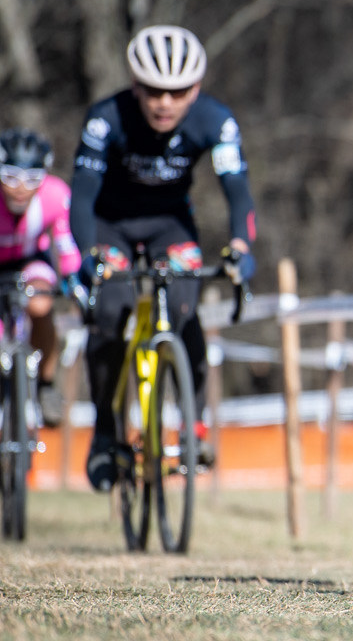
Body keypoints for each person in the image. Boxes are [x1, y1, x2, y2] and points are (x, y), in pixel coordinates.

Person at [70, 24, 256, 492]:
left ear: (196, 88)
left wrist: (241, 246)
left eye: (178, 91)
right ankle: (105, 433)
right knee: (109, 316)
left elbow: (237, 193)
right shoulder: (105, 118)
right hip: (110, 223)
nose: (165, 103)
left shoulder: (215, 120)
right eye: (153, 90)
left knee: (185, 307)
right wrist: (87, 252)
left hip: (170, 226)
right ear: (135, 85)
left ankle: (193, 428)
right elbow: (82, 197)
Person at [0, 129, 82, 427]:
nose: (20, 188)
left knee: (40, 303)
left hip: (31, 260)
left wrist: (74, 279)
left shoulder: (56, 195)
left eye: (31, 179)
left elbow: (66, 244)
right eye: (10, 177)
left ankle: (46, 384)